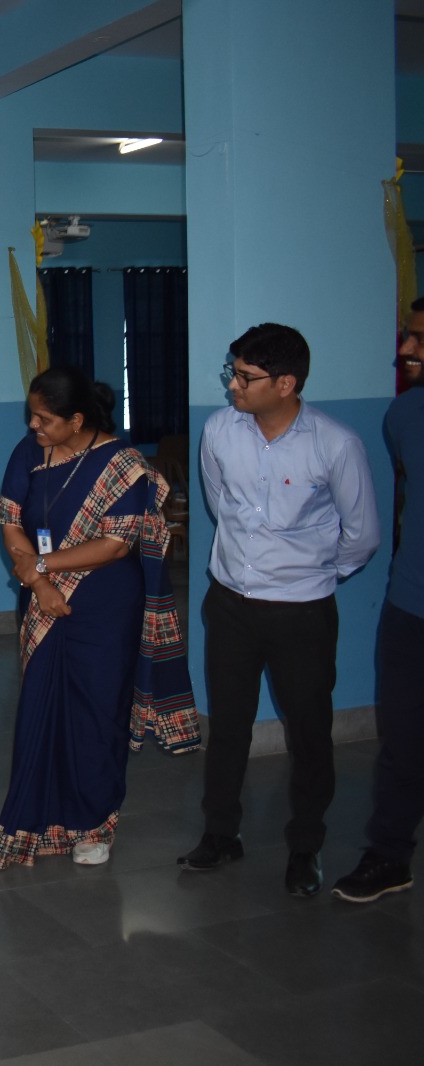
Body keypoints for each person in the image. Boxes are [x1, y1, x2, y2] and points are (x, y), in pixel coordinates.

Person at [181, 323, 380, 896]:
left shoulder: (335, 444)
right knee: (228, 726)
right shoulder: (220, 430)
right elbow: (219, 503)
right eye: (233, 371)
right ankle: (221, 834)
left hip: (302, 612)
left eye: (245, 376)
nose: (232, 385)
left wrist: (315, 574)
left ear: (286, 383)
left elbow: (362, 535)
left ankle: (305, 847)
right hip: (230, 604)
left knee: (309, 732)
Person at [0, 367, 200, 869]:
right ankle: (35, 821)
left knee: (97, 712)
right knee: (40, 706)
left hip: (104, 604)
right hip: (42, 600)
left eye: (44, 418)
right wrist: (39, 584)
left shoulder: (123, 465)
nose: (34, 426)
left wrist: (42, 566)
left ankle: (93, 824)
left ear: (77, 420)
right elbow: (10, 521)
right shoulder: (29, 453)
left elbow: (115, 544)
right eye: (31, 415)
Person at [334, 301, 424, 902]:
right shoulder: (405, 414)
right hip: (410, 605)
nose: (405, 350)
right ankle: (390, 855)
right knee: (403, 739)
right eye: (406, 336)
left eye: (418, 339)